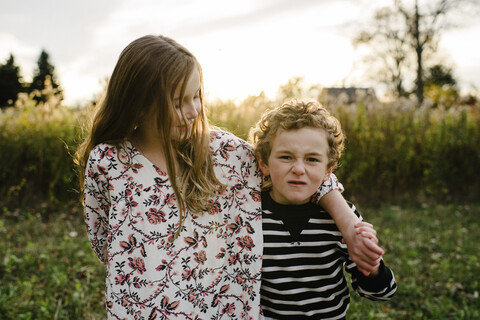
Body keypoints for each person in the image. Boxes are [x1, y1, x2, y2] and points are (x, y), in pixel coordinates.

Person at [75, 34, 381, 319]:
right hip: (141, 309)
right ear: (138, 102)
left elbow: (301, 174)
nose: (193, 110)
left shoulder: (225, 152)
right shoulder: (107, 161)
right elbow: (105, 242)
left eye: (196, 96)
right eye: (179, 101)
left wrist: (349, 225)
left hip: (224, 309)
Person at [250, 100, 397, 319]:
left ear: (328, 171)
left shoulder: (341, 219)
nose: (299, 169)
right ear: (264, 164)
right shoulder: (251, 216)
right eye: (286, 157)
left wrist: (371, 267)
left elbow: (383, 293)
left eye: (312, 159)